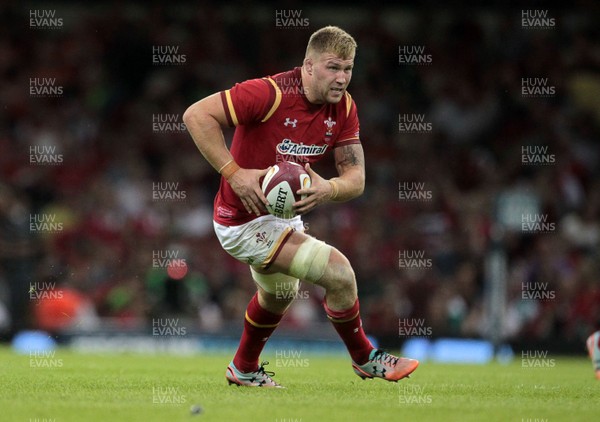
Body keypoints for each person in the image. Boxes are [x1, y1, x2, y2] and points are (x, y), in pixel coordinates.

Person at [183, 26, 418, 387]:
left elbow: (356, 178)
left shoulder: (345, 108)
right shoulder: (269, 93)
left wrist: (329, 188)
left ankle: (243, 369)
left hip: (283, 219)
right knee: (339, 274)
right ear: (308, 66)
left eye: (348, 69)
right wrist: (235, 174)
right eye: (333, 67)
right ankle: (366, 358)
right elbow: (196, 116)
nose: (342, 78)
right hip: (241, 221)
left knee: (279, 295)